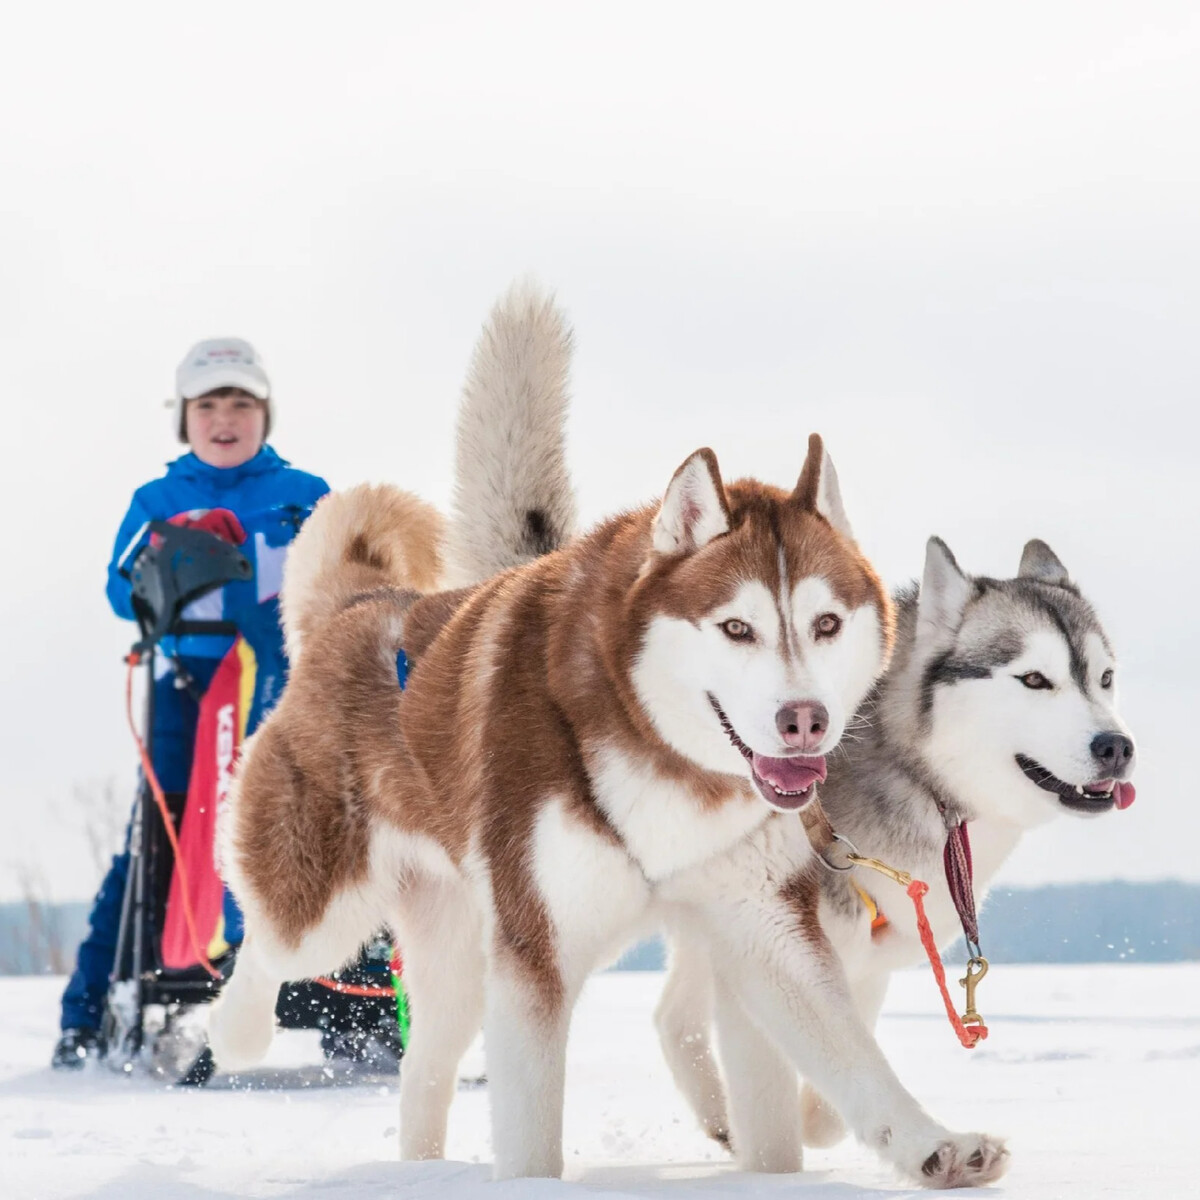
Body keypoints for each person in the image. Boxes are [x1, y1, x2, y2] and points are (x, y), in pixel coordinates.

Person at [52, 338, 329, 1069]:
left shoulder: (304, 493)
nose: (225, 418)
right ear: (185, 417)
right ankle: (90, 1010)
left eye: (241, 402)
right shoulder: (160, 500)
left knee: (325, 830)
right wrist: (167, 566)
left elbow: (351, 576)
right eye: (208, 404)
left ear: (265, 413)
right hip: (189, 696)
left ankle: (347, 991)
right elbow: (121, 593)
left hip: (289, 696)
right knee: (160, 835)